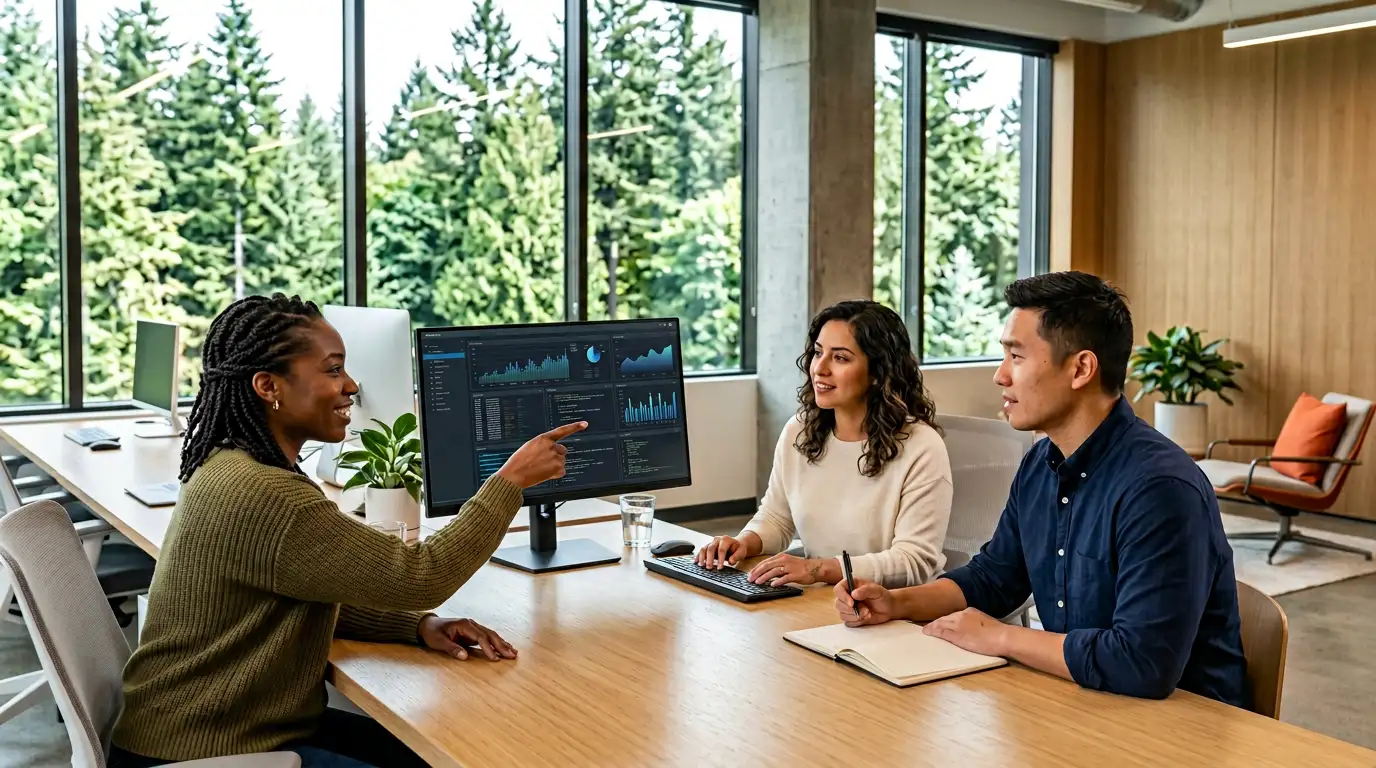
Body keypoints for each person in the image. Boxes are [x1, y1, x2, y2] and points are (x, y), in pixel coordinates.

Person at [110, 294, 585, 768]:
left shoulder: (232, 465)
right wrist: (509, 482)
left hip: (228, 731)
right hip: (203, 752)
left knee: (445, 752)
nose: (352, 385)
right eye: (333, 370)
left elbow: (303, 594)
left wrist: (417, 625)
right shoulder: (266, 494)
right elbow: (422, 575)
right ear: (268, 386)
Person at [835, 273, 1248, 706]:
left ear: (1081, 369)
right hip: (1085, 701)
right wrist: (896, 603)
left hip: (1185, 727)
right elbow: (994, 579)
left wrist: (1002, 637)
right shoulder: (1041, 462)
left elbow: (1142, 664)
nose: (1000, 376)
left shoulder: (1160, 488)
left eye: (1016, 356)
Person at [696, 300, 952, 589]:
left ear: (878, 373)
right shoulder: (799, 431)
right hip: (822, 600)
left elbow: (913, 561)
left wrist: (819, 569)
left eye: (840, 358)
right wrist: (743, 542)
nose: (820, 368)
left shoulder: (921, 447)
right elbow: (777, 519)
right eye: (818, 353)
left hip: (893, 611)